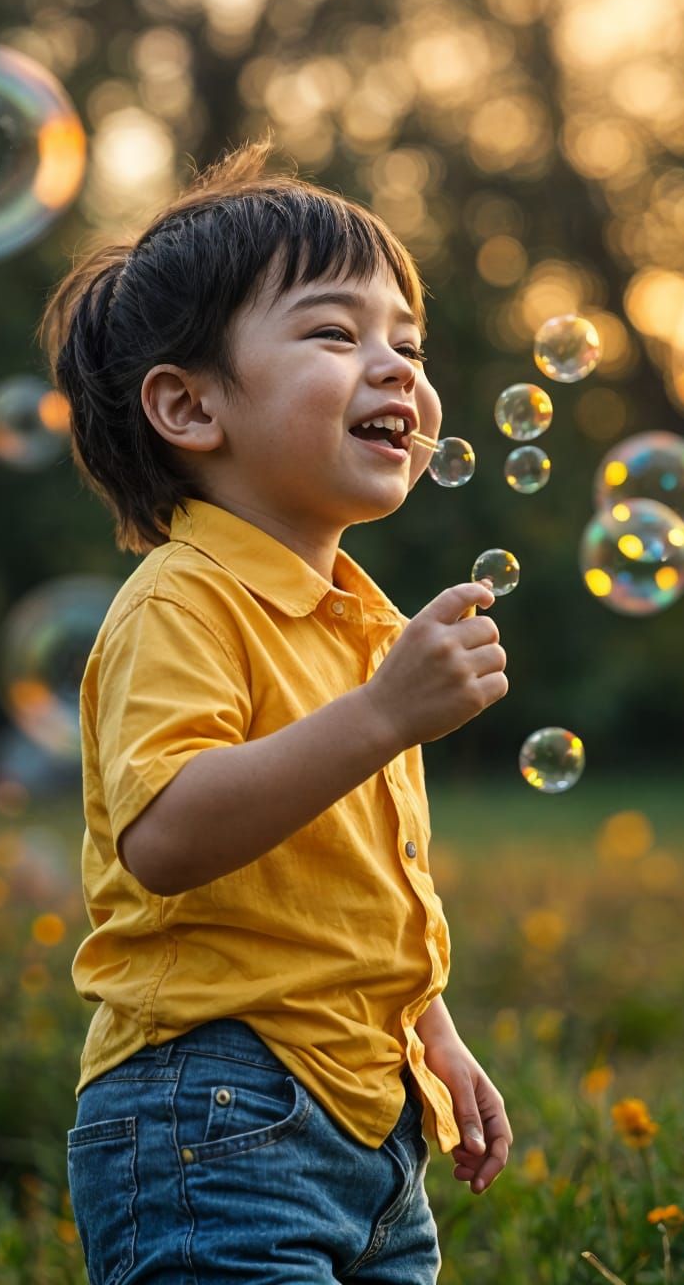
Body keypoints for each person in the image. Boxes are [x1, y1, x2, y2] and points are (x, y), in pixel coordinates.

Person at [39, 135, 513, 1284]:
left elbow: (348, 886)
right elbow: (168, 836)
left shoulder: (356, 619)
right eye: (337, 333)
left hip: (370, 1126)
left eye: (408, 340)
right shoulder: (183, 602)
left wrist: (430, 1033)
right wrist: (384, 716)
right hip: (210, 1115)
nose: (396, 366)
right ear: (190, 406)